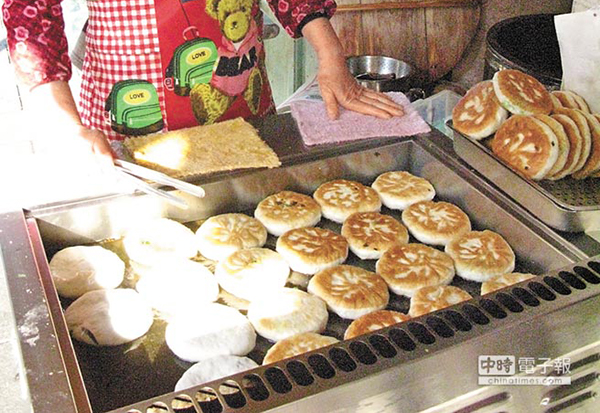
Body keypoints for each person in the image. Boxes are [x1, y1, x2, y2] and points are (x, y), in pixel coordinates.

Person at [2, 0, 404, 166]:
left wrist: (331, 55)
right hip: (133, 118)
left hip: (241, 106)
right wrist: (64, 124)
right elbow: (31, 15)